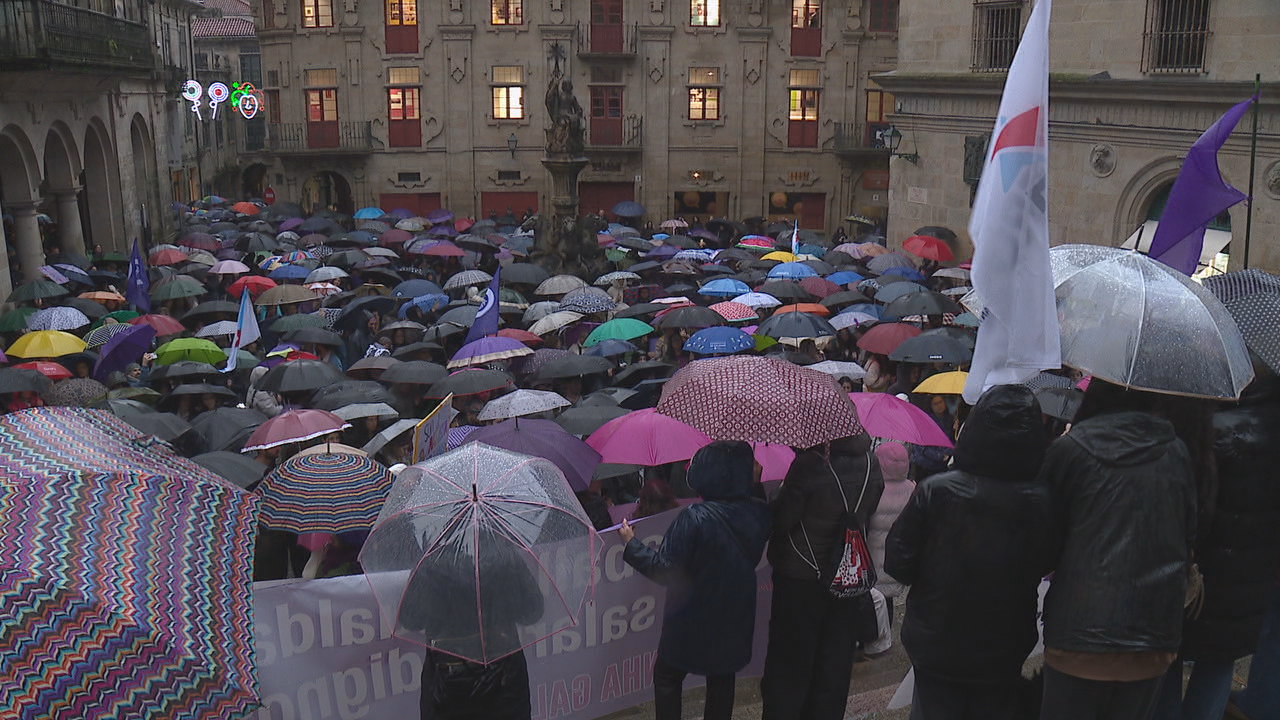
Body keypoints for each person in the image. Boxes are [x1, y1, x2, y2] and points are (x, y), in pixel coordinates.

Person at [885, 385, 1054, 720]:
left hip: (937, 641)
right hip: (1003, 645)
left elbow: (898, 563)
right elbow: (1047, 560)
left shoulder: (936, 490)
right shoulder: (1041, 501)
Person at [1038, 379, 1197, 720]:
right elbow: (1187, 535)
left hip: (1078, 631)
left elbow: (1042, 543)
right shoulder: (1177, 451)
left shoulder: (1070, 451)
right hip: (1152, 634)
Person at [1155, 355, 1280, 720]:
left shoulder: (1209, 427)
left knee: (1170, 657)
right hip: (1251, 575)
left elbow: (1195, 508)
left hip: (1199, 573)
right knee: (1220, 660)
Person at [620, 441, 771, 720]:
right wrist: (754, 484)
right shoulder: (759, 513)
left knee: (666, 676)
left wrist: (631, 544)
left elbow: (664, 569)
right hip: (735, 617)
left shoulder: (694, 518)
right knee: (722, 678)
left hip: (690, 620)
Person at [762, 431, 884, 720]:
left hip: (802, 576)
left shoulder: (810, 465)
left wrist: (780, 492)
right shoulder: (871, 462)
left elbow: (781, 520)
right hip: (847, 576)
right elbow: (868, 511)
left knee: (792, 662)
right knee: (835, 660)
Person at [867, 441, 913, 600]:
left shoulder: (873, 488)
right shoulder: (912, 489)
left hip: (871, 560)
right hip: (895, 562)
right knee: (888, 603)